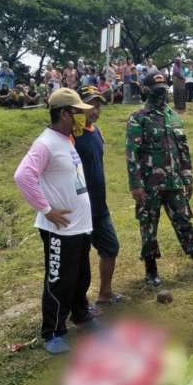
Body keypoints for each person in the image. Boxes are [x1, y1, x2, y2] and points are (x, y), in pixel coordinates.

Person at [13, 88, 100, 355]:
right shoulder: (46, 143)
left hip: (80, 226)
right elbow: (23, 176)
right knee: (58, 280)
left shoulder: (67, 139)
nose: (83, 118)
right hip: (59, 229)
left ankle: (81, 316)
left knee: (80, 276)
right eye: (77, 113)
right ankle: (53, 330)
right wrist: (46, 209)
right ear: (64, 114)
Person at [126, 71, 193, 286]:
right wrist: (136, 185)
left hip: (174, 183)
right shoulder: (138, 118)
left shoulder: (173, 117)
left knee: (185, 224)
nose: (162, 94)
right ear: (146, 90)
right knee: (148, 227)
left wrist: (188, 177)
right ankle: (151, 271)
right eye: (157, 91)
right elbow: (132, 153)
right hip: (149, 185)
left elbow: (183, 151)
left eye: (164, 90)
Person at [76, 86, 125, 311]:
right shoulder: (72, 136)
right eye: (90, 105)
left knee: (110, 248)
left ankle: (105, 294)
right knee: (79, 259)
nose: (95, 110)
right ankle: (79, 305)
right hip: (79, 209)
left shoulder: (97, 132)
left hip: (99, 206)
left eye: (98, 105)